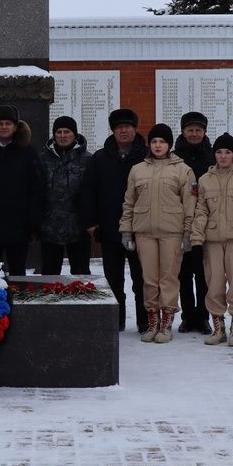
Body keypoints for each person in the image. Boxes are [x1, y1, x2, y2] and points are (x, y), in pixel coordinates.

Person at [119, 123, 197, 343]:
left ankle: (166, 323)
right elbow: (129, 203)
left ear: (169, 144)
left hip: (172, 232)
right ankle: (152, 321)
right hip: (144, 232)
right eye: (154, 141)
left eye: (162, 141)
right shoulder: (138, 169)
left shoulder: (183, 170)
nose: (158, 145)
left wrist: (188, 233)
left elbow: (190, 204)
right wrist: (126, 231)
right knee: (149, 279)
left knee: (168, 278)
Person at [81, 108, 149, 333]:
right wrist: (91, 223)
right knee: (113, 278)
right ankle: (115, 319)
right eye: (119, 127)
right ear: (113, 130)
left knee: (141, 279)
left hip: (141, 229)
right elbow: (88, 191)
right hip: (110, 227)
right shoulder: (100, 158)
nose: (123, 131)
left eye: (127, 127)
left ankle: (144, 320)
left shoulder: (147, 156)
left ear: (135, 129)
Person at [188, 132, 233, 346]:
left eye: (227, 152)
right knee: (214, 284)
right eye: (219, 152)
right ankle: (218, 327)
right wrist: (197, 240)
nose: (223, 156)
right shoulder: (205, 180)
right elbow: (200, 212)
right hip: (213, 240)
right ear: (214, 154)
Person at [0, 104, 43, 276]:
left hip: (18, 225)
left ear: (15, 127)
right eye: (0, 124)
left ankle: (19, 302)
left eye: (8, 123)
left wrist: (33, 221)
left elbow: (36, 187)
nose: (4, 127)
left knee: (18, 271)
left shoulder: (28, 152)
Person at [173, 111, 213, 333]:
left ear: (204, 132)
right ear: (183, 132)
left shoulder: (213, 157)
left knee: (204, 273)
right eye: (190, 130)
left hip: (207, 225)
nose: (195, 133)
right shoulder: (175, 157)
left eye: (198, 130)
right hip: (181, 223)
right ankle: (188, 316)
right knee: (184, 273)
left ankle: (203, 316)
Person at [39, 115, 91, 276]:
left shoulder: (88, 159)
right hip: (50, 227)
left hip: (78, 227)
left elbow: (92, 192)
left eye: (66, 132)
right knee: (49, 275)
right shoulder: (42, 159)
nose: (62, 135)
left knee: (81, 274)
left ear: (75, 134)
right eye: (59, 132)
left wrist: (91, 220)